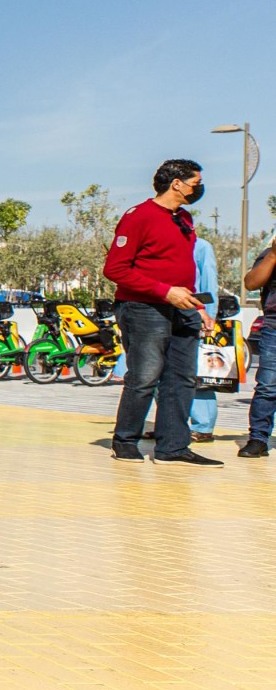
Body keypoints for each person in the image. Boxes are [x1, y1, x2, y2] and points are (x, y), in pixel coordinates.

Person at [104, 159, 219, 466]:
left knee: (181, 378)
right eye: (196, 183)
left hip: (183, 308)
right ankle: (125, 440)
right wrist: (164, 291)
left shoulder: (184, 217)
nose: (200, 189)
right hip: (144, 308)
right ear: (177, 183)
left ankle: (173, 447)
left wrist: (200, 308)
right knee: (144, 376)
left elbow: (183, 270)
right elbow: (114, 269)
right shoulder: (138, 216)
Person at [237, 234, 276, 458]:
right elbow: (251, 283)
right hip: (274, 328)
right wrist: (273, 255)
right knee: (268, 387)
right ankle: (258, 439)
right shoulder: (269, 255)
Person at [188, 231, 223, 442]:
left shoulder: (200, 246)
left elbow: (209, 282)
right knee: (164, 374)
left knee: (200, 373)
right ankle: (172, 423)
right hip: (166, 317)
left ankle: (203, 426)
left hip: (196, 316)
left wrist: (209, 315)